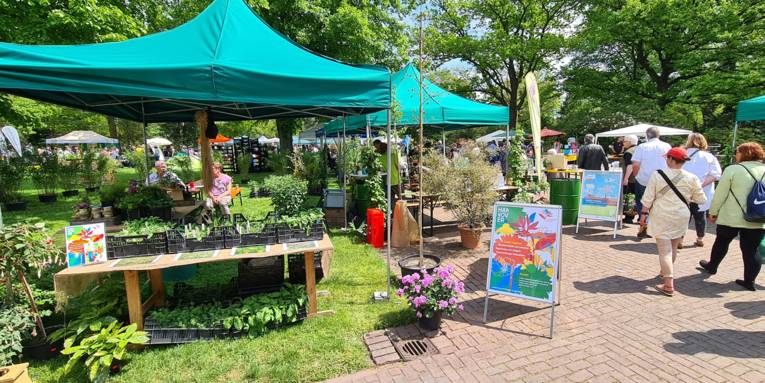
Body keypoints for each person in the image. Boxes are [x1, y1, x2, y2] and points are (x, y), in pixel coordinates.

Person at [698, 142, 765, 291]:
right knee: (751, 250)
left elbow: (720, 194)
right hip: (758, 217)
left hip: (731, 216)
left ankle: (712, 267)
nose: (736, 154)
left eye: (738, 152)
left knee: (722, 242)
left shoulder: (733, 170)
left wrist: (713, 212)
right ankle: (750, 281)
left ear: (743, 154)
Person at [639, 147, 706, 296]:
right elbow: (701, 199)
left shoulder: (657, 175)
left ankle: (668, 284)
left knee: (665, 251)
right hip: (681, 215)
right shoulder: (692, 177)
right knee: (673, 247)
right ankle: (664, 273)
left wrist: (643, 214)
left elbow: (648, 197)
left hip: (661, 214)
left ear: (670, 159)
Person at [681, 133, 721, 247]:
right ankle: (700, 237)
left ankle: (679, 239)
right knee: (700, 215)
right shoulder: (709, 156)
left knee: (683, 216)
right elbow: (716, 174)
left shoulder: (682, 154)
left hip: (682, 190)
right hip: (702, 191)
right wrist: (699, 185)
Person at [632, 126, 672, 238]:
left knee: (642, 202)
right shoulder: (666, 146)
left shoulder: (642, 146)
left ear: (647, 136)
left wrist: (636, 176)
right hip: (662, 179)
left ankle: (644, 223)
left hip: (644, 179)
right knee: (658, 203)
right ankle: (653, 225)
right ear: (659, 135)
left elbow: (635, 164)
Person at [374, 138, 401, 202]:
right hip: (395, 179)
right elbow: (398, 167)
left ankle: (391, 211)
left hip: (387, 180)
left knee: (390, 200)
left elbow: (379, 168)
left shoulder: (379, 157)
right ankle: (402, 210)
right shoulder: (393, 154)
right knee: (401, 198)